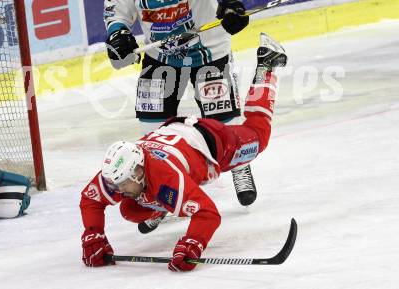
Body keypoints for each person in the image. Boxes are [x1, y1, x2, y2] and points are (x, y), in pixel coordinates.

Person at [80, 33, 287, 271]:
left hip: (215, 143)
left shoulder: (166, 179)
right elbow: (91, 198)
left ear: (138, 172)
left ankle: (267, 66)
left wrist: (193, 244)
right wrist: (93, 235)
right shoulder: (121, 170)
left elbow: (208, 213)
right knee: (130, 208)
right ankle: (162, 206)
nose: (118, 189)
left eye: (123, 184)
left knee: (258, 135)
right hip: (174, 138)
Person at [103, 0, 256, 206]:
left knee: (223, 122)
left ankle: (239, 167)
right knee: (152, 132)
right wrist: (118, 34)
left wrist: (230, 3)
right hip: (161, 57)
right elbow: (116, 15)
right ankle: (158, 192)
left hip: (209, 52)